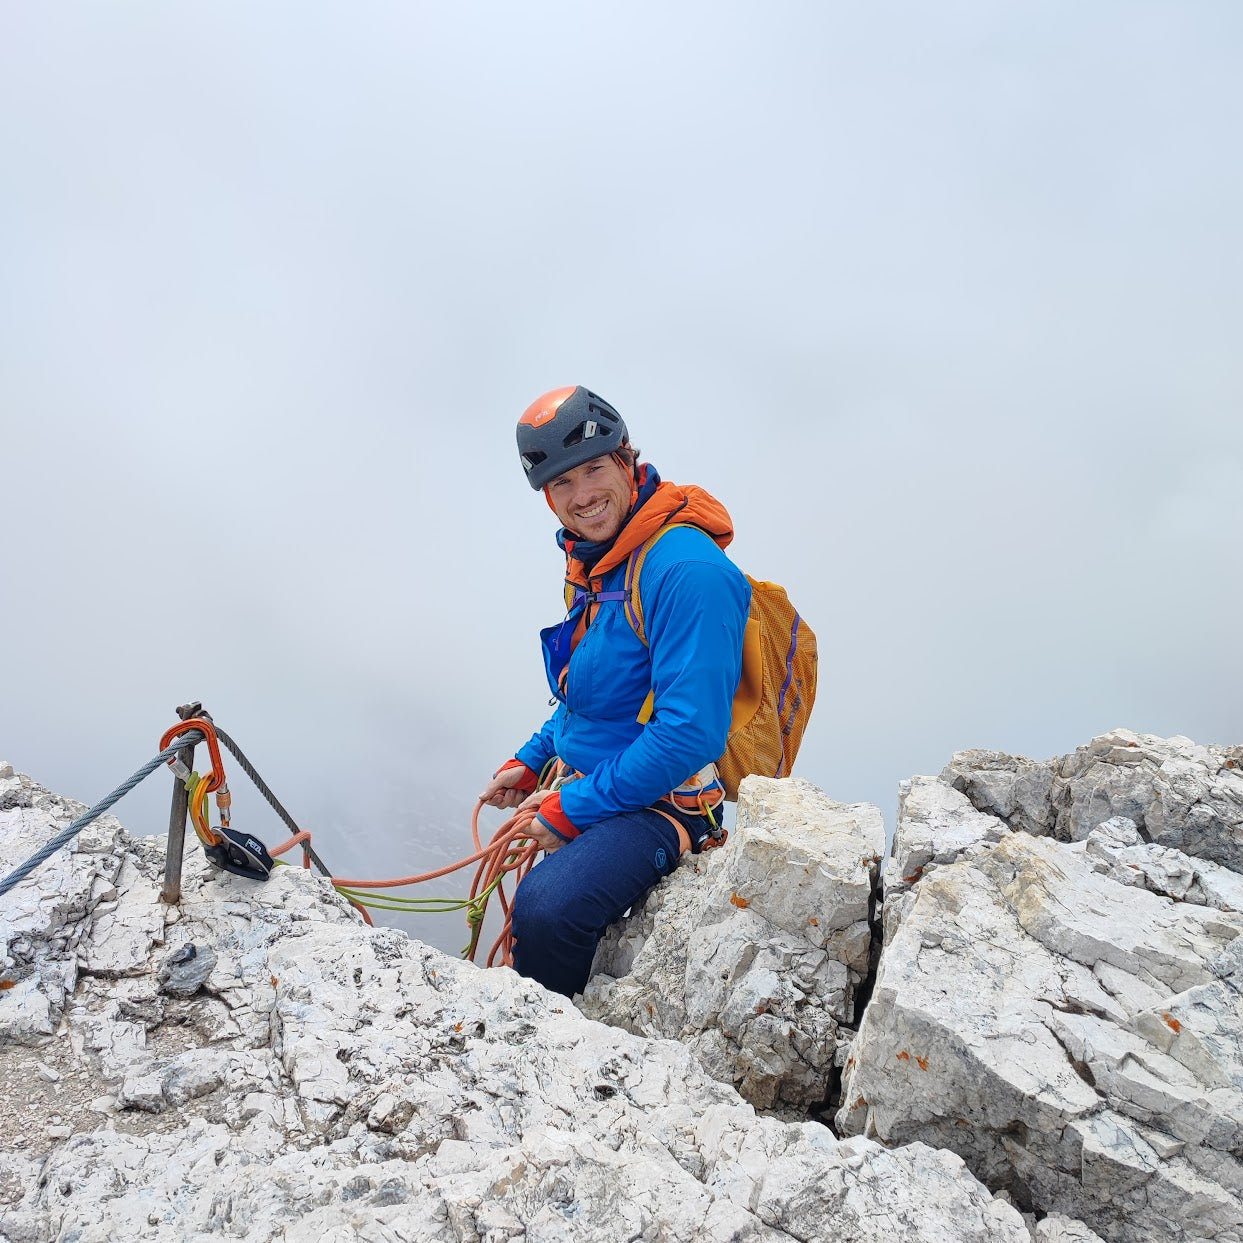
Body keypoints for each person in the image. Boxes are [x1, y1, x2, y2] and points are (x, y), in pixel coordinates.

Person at [478, 385, 751, 998]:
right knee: (544, 907)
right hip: (597, 782)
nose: (581, 497)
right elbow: (588, 694)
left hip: (666, 803)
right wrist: (533, 757)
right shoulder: (598, 563)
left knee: (546, 910)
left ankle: (555, 1051)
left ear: (627, 460)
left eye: (594, 469)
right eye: (561, 484)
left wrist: (572, 808)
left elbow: (691, 731)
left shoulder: (685, 570)